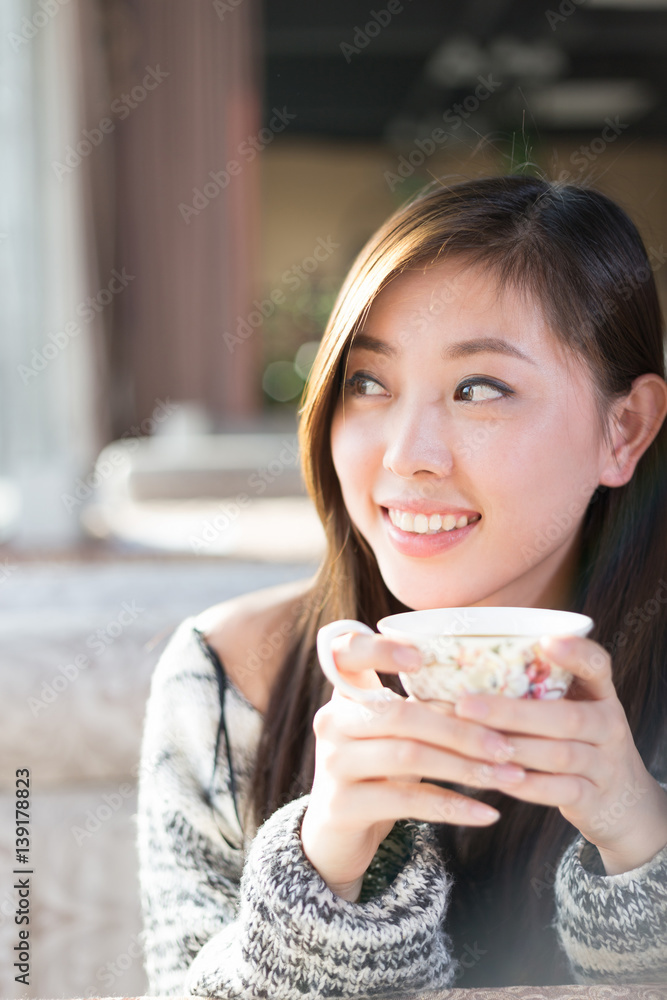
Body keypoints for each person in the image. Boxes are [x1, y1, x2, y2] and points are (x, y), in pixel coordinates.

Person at [135, 174, 667, 998]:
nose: (405, 454)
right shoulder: (227, 677)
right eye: (368, 382)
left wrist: (642, 843)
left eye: (477, 389)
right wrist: (325, 870)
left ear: (622, 428)